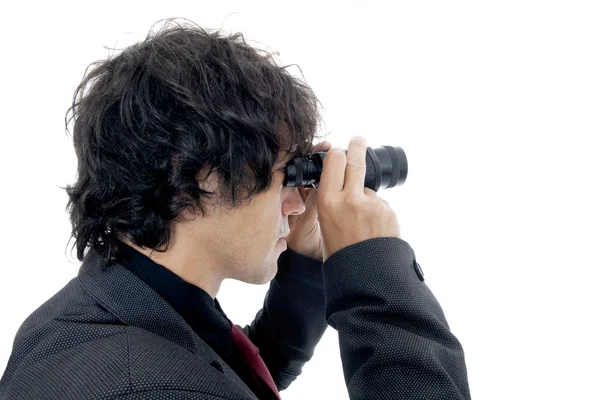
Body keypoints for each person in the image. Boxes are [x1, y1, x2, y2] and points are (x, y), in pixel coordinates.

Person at [0, 19, 471, 399]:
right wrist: (375, 268)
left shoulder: (98, 310)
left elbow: (226, 370)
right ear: (196, 178)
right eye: (286, 174)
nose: (296, 200)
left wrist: (308, 262)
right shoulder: (148, 386)